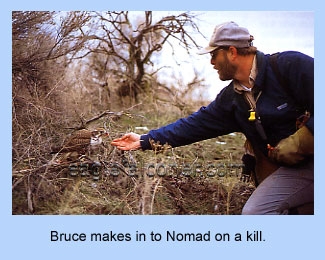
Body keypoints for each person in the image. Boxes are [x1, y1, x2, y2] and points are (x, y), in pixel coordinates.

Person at [111, 21, 314, 215]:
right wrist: (145, 140)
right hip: (298, 171)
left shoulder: (290, 66)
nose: (212, 62)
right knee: (256, 212)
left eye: (214, 54)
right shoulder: (232, 99)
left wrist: (300, 141)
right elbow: (195, 125)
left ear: (232, 52)